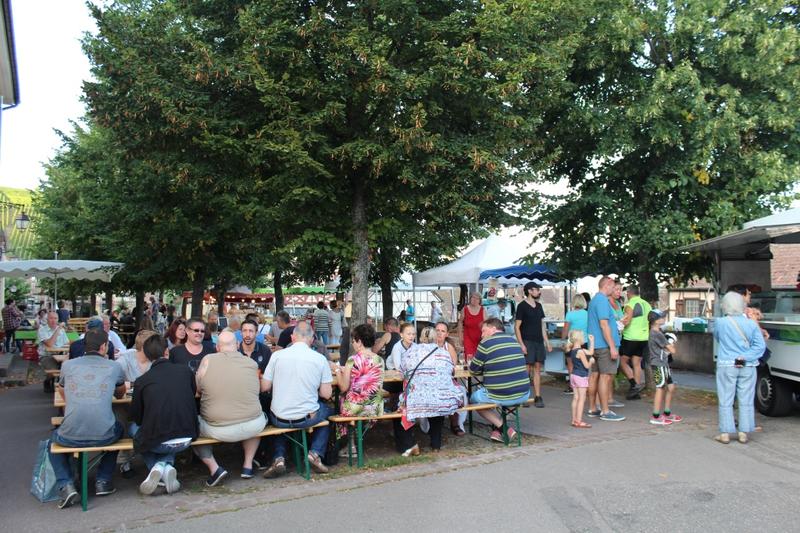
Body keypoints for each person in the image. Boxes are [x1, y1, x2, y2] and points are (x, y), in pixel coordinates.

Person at [48, 329, 126, 509]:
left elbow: (62, 390)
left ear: (84, 345)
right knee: (120, 428)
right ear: (104, 346)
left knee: (51, 442)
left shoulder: (68, 365)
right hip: (104, 435)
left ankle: (66, 484)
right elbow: (120, 394)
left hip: (70, 435)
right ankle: (103, 480)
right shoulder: (114, 366)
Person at [260, 322, 333, 478]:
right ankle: (315, 453)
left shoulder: (276, 356)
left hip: (279, 418)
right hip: (306, 418)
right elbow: (326, 394)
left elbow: (264, 387)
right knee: (329, 411)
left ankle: (279, 458)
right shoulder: (320, 359)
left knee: (278, 413)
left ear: (292, 338)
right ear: (312, 340)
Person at [194, 331, 267, 485]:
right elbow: (257, 389)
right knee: (256, 415)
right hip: (253, 425)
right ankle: (248, 465)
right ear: (238, 345)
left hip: (217, 428)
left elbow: (198, 389)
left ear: (217, 347)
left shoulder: (207, 360)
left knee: (192, 424)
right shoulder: (251, 363)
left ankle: (214, 469)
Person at [129, 335, 198, 495]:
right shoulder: (185, 371)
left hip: (159, 441)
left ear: (147, 356)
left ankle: (157, 466)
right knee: (168, 427)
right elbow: (193, 393)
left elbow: (137, 417)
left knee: (133, 428)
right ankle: (165, 467)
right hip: (188, 436)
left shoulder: (142, 381)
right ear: (167, 351)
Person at [393, 326, 464, 456]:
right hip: (442, 399)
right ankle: (436, 444)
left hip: (417, 400)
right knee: (436, 402)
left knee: (398, 405)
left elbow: (402, 372)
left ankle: (409, 444)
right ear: (435, 338)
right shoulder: (444, 353)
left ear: (420, 338)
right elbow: (451, 371)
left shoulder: (411, 352)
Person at [712, 291, 765, 444]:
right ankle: (744, 432)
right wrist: (745, 356)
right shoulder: (751, 324)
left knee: (726, 399)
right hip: (747, 365)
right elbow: (760, 346)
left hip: (727, 363)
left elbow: (718, 338)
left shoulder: (720, 323)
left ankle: (725, 433)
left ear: (725, 305)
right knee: (746, 398)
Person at [469, 318, 531, 442]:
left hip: (501, 394)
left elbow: (473, 370)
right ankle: (497, 431)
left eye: (484, 331)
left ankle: (503, 428)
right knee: (498, 392)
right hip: (523, 393)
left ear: (493, 328)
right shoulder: (514, 341)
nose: (482, 335)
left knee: (473, 400)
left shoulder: (486, 343)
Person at [333, 323, 384, 451]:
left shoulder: (352, 360)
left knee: (341, 400)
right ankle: (353, 443)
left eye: (354, 341)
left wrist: (337, 370)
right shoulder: (380, 360)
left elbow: (343, 387)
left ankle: (349, 445)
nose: (353, 344)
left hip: (355, 408)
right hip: (375, 407)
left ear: (359, 342)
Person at [587, 276, 625, 421]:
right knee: (605, 377)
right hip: (604, 346)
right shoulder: (603, 300)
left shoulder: (594, 300)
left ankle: (593, 408)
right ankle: (605, 411)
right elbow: (604, 325)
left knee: (594, 376)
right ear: (607, 285)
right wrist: (612, 347)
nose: (614, 289)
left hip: (594, 345)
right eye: (613, 286)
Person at [514, 282, 550, 408]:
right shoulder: (522, 306)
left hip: (538, 341)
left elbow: (542, 325)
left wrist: (547, 342)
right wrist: (521, 344)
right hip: (527, 341)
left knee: (538, 369)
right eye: (536, 289)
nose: (539, 291)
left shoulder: (539, 306)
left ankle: (538, 396)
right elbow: (517, 327)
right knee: (526, 369)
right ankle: (524, 396)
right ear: (529, 291)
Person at [647, 309, 681, 426]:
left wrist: (668, 341)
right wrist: (671, 341)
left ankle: (667, 412)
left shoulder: (658, 332)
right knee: (660, 388)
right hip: (658, 364)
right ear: (656, 321)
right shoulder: (656, 334)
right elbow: (672, 350)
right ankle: (655, 416)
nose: (664, 318)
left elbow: (666, 350)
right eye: (661, 317)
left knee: (670, 387)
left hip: (663, 364)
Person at [434, 321, 467, 436]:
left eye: (442, 331)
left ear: (447, 334)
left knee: (459, 392)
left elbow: (454, 367)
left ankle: (456, 423)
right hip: (431, 381)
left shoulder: (449, 347)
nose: (439, 333)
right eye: (437, 330)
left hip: (446, 380)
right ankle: (432, 425)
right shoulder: (426, 346)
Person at [620, 285, 652, 400]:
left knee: (622, 362)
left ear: (629, 293)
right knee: (636, 363)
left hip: (631, 337)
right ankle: (636, 392)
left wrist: (618, 324)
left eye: (627, 293)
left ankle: (634, 384)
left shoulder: (630, 304)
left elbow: (627, 321)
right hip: (644, 338)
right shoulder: (647, 304)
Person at [561, 293, 589, 394]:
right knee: (583, 364)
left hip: (572, 342)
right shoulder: (587, 314)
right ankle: (584, 385)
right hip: (584, 341)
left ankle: (572, 386)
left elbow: (565, 329)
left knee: (571, 364)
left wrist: (562, 340)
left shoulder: (570, 314)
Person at [566, 330, 594, 428]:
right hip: (581, 376)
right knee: (582, 399)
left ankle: (574, 420)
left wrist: (592, 341)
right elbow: (586, 366)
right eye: (583, 337)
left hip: (574, 375)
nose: (584, 339)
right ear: (579, 339)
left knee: (576, 398)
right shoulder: (581, 352)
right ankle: (579, 421)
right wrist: (591, 361)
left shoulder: (573, 350)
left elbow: (590, 352)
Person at [37, 311, 70, 375]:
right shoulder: (42, 330)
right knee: (54, 371)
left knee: (69, 368)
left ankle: (60, 380)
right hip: (47, 356)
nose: (53, 320)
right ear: (47, 320)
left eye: (55, 318)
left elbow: (67, 343)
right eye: (51, 318)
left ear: (58, 320)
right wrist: (58, 329)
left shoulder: (62, 330)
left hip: (61, 355)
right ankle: (50, 380)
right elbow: (50, 344)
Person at [459, 292, 485, 362]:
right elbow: (460, 322)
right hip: (468, 338)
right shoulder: (465, 309)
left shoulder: (483, 310)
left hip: (480, 339)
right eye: (473, 297)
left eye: (477, 298)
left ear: (480, 300)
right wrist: (460, 336)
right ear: (470, 299)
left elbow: (487, 325)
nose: (475, 300)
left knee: (479, 358)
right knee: (469, 358)